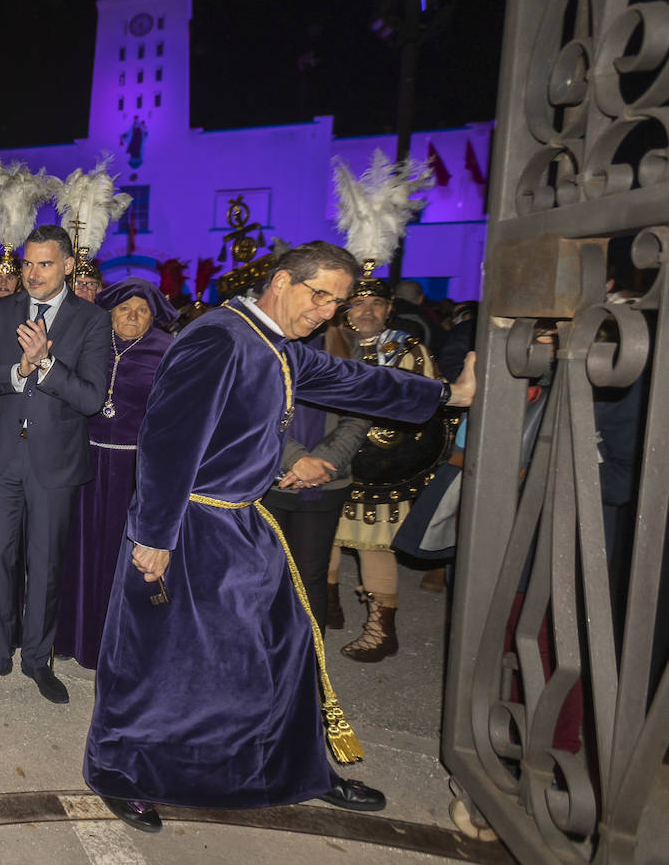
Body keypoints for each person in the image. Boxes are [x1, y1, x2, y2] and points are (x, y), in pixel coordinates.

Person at [84, 241, 476, 833]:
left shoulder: (279, 345)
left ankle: (296, 769)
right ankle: (124, 774)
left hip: (242, 524)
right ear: (282, 281)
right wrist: (154, 536)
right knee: (160, 664)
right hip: (189, 527)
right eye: (320, 296)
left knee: (285, 647)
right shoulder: (219, 337)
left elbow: (351, 379)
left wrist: (447, 395)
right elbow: (167, 443)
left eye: (338, 303)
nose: (328, 312)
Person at [0, 224, 110, 703]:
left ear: (68, 265)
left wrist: (46, 365)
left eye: (44, 263)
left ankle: (36, 660)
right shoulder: (0, 311)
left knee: (45, 566)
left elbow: (90, 398)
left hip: (55, 464)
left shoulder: (91, 320)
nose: (32, 273)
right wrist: (18, 370)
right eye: (27, 263)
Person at [55, 277, 174, 669]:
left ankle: (118, 645)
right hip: (83, 462)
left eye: (142, 311)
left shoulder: (167, 352)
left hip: (134, 469)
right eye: (125, 309)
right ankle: (69, 634)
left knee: (120, 556)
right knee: (76, 549)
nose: (132, 316)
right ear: (110, 312)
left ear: (152, 318)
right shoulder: (91, 341)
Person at [327, 282, 441, 662]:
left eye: (376, 303)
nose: (367, 311)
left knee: (373, 546)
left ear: (390, 308)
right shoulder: (327, 343)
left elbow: (426, 410)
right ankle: (326, 608)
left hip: (379, 470)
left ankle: (381, 630)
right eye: (358, 303)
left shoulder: (408, 350)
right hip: (327, 461)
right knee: (323, 540)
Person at [262, 316, 370, 630]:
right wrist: (295, 457)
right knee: (265, 576)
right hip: (268, 479)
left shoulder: (346, 343)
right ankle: (265, 664)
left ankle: (308, 669)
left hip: (326, 481)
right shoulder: (263, 340)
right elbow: (247, 410)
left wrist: (322, 462)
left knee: (310, 576)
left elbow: (360, 412)